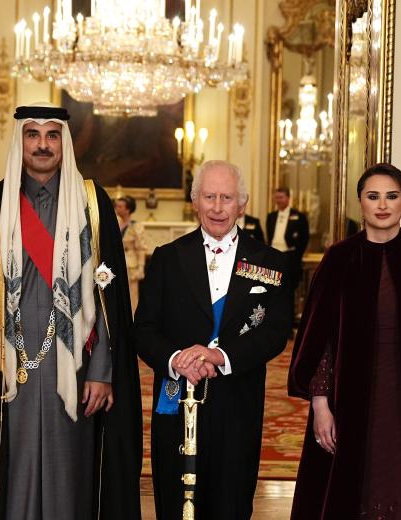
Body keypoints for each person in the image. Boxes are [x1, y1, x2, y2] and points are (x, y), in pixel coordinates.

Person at [0, 103, 141, 520]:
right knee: (10, 473)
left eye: (52, 135)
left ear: (64, 143)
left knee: (72, 472)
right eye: (32, 134)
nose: (42, 144)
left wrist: (103, 370)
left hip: (74, 366)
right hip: (7, 366)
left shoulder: (92, 203)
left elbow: (109, 293)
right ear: (19, 140)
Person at [288, 163, 401, 519]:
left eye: (392, 196)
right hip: (349, 398)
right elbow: (319, 342)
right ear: (360, 203)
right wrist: (321, 406)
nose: (383, 205)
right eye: (373, 196)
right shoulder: (338, 259)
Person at [134, 160, 292, 519]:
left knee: (231, 501)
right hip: (177, 400)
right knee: (177, 502)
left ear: (242, 204)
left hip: (238, 400)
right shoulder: (167, 258)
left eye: (226, 197)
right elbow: (143, 329)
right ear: (195, 201)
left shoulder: (270, 263)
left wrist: (220, 356)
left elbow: (275, 332)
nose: (218, 207)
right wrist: (176, 359)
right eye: (209, 197)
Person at [266, 187, 309, 290]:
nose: (278, 200)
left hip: (290, 257)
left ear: (288, 198)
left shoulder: (299, 216)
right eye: (276, 197)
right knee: (272, 289)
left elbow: (305, 238)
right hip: (273, 257)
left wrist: (297, 256)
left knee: (288, 290)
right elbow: (269, 237)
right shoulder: (271, 216)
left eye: (281, 197)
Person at [115, 195, 147, 312]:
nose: (117, 208)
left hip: (131, 266)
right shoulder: (116, 224)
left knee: (131, 297)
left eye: (120, 206)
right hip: (117, 263)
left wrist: (141, 267)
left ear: (128, 209)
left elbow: (141, 248)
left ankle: (132, 323)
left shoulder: (136, 226)